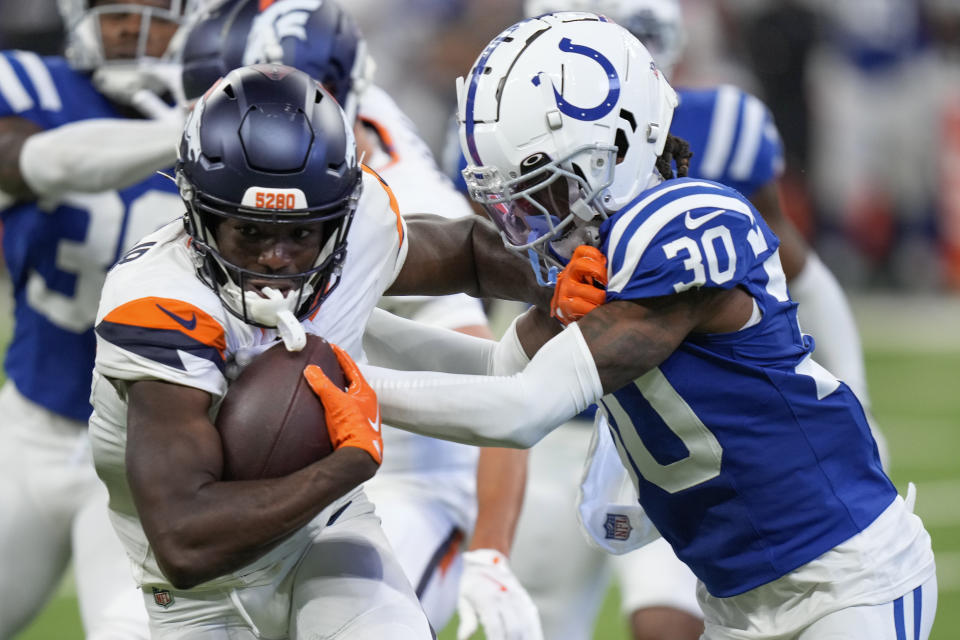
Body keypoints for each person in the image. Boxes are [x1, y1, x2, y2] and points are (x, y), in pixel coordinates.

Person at [351, 13, 938, 640]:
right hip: (737, 602)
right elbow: (497, 367)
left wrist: (342, 385)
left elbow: (517, 410)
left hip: (844, 579)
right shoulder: (600, 252)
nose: (523, 219)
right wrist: (348, 321)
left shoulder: (682, 224)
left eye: (543, 189)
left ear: (615, 152)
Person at [177, 1, 541, 637]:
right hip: (280, 467)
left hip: (401, 478)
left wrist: (490, 549)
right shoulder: (315, 139)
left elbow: (497, 389)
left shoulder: (383, 210)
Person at [88, 63, 441, 639]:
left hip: (326, 533)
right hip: (199, 594)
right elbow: (184, 543)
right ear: (199, 215)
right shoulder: (156, 302)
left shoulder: (363, 222)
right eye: (251, 232)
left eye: (301, 233)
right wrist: (349, 462)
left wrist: (555, 285)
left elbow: (466, 252)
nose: (277, 258)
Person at [0, 0, 197, 635]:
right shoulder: (31, 85)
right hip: (28, 428)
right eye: (114, 8)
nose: (129, 25)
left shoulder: (237, 108)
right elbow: (27, 161)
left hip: (141, 461)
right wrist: (192, 132)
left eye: (154, 10)